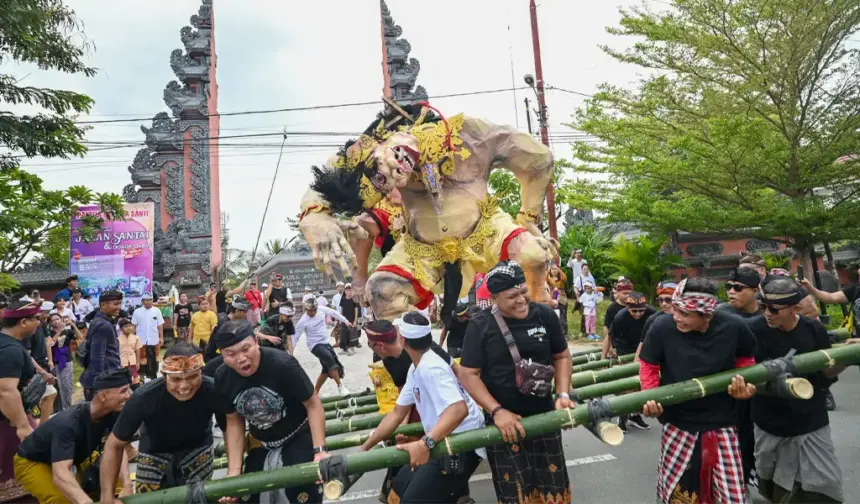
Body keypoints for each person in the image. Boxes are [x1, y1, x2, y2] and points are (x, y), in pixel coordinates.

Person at [459, 260, 573, 504]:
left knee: (554, 491)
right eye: (513, 296)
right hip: (504, 426)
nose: (522, 299)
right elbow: (468, 374)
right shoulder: (481, 325)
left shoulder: (544, 315)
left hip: (545, 417)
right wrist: (497, 411)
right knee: (515, 496)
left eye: (524, 291)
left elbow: (562, 356)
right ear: (494, 298)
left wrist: (563, 395)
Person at [638, 277, 757, 504]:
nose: (676, 317)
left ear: (706, 315)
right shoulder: (662, 327)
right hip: (678, 422)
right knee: (676, 495)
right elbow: (649, 365)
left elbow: (746, 359)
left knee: (732, 497)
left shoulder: (733, 327)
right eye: (675, 309)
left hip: (723, 422)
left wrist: (747, 385)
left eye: (684, 314)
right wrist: (651, 396)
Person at [360, 312, 485, 504]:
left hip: (462, 443)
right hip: (442, 438)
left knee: (414, 499)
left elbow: (459, 409)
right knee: (399, 487)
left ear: (403, 339)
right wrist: (366, 448)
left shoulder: (431, 368)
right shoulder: (416, 368)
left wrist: (425, 443)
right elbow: (396, 413)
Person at [747, 276, 847, 503]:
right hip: (769, 421)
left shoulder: (813, 329)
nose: (768, 313)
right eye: (763, 306)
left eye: (774, 309)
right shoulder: (751, 331)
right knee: (772, 481)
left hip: (810, 417)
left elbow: (825, 374)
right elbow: (744, 372)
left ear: (795, 307)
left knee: (824, 483)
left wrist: (843, 360)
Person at [215, 320, 330, 504]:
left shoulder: (283, 364)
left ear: (256, 342)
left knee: (301, 490)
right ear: (222, 355)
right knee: (246, 493)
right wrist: (234, 472)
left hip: (297, 434)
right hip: (260, 441)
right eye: (231, 354)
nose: (241, 358)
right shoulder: (222, 377)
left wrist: (320, 450)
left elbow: (314, 405)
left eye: (246, 349)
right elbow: (234, 421)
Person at [99, 344, 231, 496]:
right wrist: (109, 495)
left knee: (199, 497)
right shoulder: (143, 398)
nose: (184, 386)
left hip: (198, 447)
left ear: (201, 372)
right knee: (148, 500)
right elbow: (114, 445)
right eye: (175, 379)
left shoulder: (213, 390)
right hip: (153, 451)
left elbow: (231, 426)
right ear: (164, 375)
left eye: (192, 377)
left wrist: (233, 472)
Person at [14, 368, 133, 504]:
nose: (129, 395)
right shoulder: (68, 424)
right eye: (123, 391)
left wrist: (127, 484)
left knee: (115, 481)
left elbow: (117, 449)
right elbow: (60, 474)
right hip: (34, 461)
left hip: (75, 455)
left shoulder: (114, 412)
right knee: (63, 499)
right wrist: (85, 501)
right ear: (103, 396)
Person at [0, 301, 41, 503]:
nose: (39, 323)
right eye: (36, 319)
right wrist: (23, 426)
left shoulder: (7, 344)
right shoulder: (10, 350)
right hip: (9, 422)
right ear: (24, 322)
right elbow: (6, 391)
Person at [604, 291, 655, 432]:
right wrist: (604, 358)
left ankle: (634, 415)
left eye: (641, 310)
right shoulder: (620, 317)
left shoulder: (651, 314)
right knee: (628, 384)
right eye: (634, 311)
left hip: (644, 344)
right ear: (627, 308)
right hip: (624, 347)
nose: (638, 314)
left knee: (640, 383)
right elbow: (609, 337)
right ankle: (622, 415)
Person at [292, 297, 353, 396]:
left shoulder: (321, 309)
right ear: (306, 310)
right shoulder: (302, 321)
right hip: (314, 345)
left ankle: (314, 393)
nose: (313, 313)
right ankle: (340, 386)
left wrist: (346, 321)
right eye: (310, 311)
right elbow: (295, 337)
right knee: (329, 360)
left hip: (325, 342)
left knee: (326, 369)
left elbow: (334, 313)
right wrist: (291, 353)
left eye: (314, 310)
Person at [80, 290, 124, 401]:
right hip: (103, 381)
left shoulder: (99, 320)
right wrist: (99, 387)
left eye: (120, 303)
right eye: (115, 304)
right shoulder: (103, 325)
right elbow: (97, 358)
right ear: (103, 305)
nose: (119, 307)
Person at [48, 312, 78, 412]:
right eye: (53, 320)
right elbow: (51, 343)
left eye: (57, 319)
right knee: (58, 385)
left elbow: (80, 336)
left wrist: (73, 325)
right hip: (55, 360)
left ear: (61, 319)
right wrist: (59, 330)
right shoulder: (50, 333)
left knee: (67, 384)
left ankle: (68, 407)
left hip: (67, 360)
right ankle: (61, 409)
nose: (55, 321)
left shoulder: (68, 332)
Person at [131, 294, 164, 383]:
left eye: (150, 300)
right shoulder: (137, 312)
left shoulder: (157, 311)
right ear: (142, 301)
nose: (149, 302)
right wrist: (132, 339)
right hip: (140, 340)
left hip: (154, 340)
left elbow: (160, 325)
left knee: (153, 360)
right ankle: (141, 379)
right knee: (141, 360)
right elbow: (133, 326)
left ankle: (154, 378)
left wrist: (161, 337)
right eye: (146, 300)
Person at [117, 318, 144, 389]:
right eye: (126, 326)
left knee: (135, 381)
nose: (128, 328)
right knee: (124, 381)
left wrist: (138, 362)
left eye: (130, 325)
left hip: (133, 362)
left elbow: (137, 350)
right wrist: (119, 363)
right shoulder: (117, 339)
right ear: (121, 329)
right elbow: (116, 352)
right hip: (123, 363)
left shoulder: (136, 338)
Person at [573, 264, 597, 337]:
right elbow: (575, 287)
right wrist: (577, 294)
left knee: (592, 316)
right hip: (583, 297)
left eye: (587, 269)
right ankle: (583, 331)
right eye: (584, 269)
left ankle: (591, 331)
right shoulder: (579, 278)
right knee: (585, 315)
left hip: (591, 298)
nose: (586, 270)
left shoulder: (591, 277)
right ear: (582, 270)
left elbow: (594, 287)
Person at [338, 283, 361, 353]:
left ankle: (352, 348)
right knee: (343, 334)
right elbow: (341, 309)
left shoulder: (354, 300)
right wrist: (340, 318)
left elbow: (356, 311)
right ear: (345, 291)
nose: (348, 292)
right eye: (347, 290)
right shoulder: (343, 299)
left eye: (350, 290)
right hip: (344, 320)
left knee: (352, 334)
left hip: (352, 319)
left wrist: (355, 321)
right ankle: (344, 348)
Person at [547, 264, 568, 334]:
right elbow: (545, 278)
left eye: (555, 269)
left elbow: (564, 277)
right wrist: (548, 270)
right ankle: (553, 332)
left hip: (561, 298)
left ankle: (563, 332)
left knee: (562, 315)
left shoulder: (561, 279)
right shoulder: (550, 279)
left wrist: (559, 269)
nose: (554, 270)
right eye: (552, 269)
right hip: (552, 298)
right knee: (552, 315)